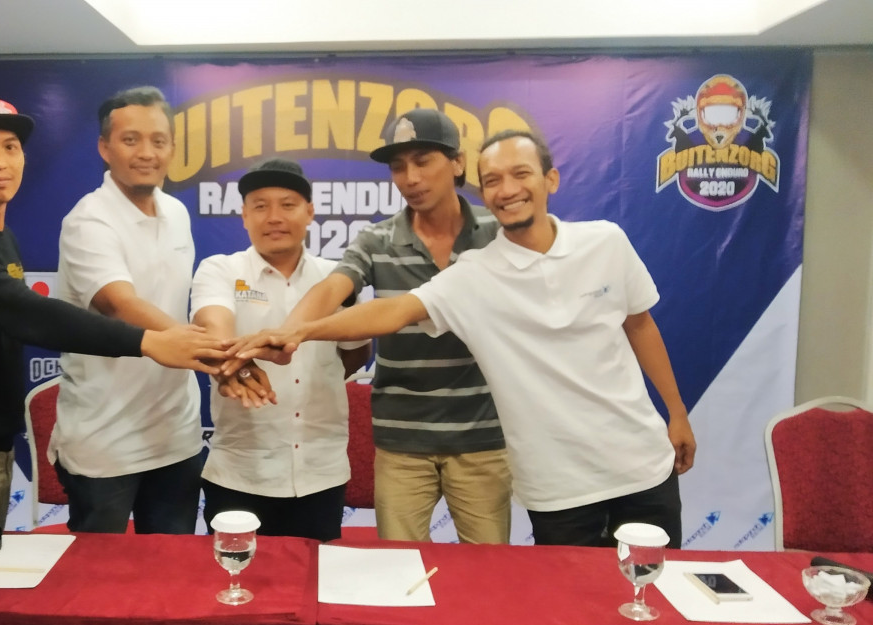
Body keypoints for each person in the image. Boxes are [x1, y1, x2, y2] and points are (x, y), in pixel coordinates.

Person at [233, 129, 697, 547]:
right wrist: (296, 330)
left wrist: (676, 412)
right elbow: (387, 309)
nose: (508, 190)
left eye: (520, 174)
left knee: (641, 598)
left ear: (550, 179)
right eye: (493, 180)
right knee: (550, 602)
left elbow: (640, 324)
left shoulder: (589, 240)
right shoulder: (468, 269)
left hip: (605, 460)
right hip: (519, 474)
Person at [0, 94, 225, 530]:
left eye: (10, 147)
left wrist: (202, 346)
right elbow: (38, 315)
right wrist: (156, 342)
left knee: (163, 569)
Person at [228, 108, 511, 545]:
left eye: (423, 161)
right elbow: (334, 286)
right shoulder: (376, 239)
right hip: (401, 439)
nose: (411, 178)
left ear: (457, 163)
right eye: (398, 167)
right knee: (398, 569)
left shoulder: (499, 234)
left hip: (482, 435)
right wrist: (289, 332)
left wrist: (296, 332)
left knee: (489, 569)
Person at [48, 86, 205, 534]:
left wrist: (203, 347)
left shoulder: (177, 213)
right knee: (99, 574)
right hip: (104, 442)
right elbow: (120, 304)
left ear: (172, 149)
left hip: (176, 436)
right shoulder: (88, 220)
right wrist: (209, 351)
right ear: (105, 148)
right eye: (130, 140)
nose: (147, 153)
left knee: (172, 569)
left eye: (159, 141)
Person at [191, 158, 370, 541]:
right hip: (239, 473)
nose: (274, 217)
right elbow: (214, 329)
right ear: (244, 216)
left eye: (288, 205)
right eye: (260, 206)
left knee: (314, 573)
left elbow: (356, 352)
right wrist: (235, 364)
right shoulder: (220, 270)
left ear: (310, 212)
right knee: (235, 572)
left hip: (321, 474)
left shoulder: (337, 279)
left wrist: (319, 377)